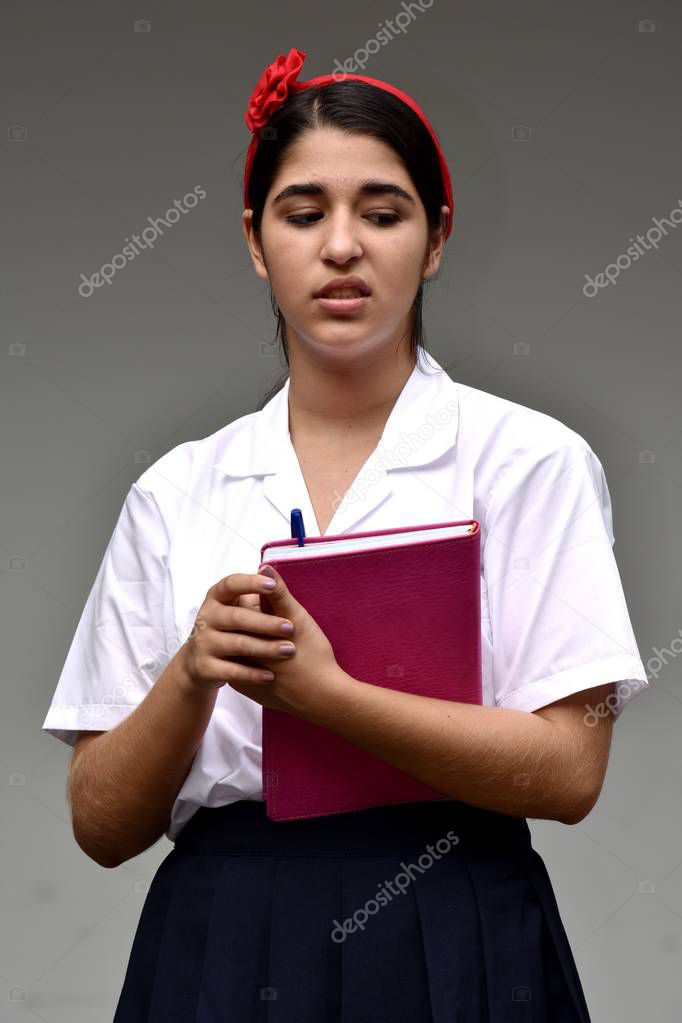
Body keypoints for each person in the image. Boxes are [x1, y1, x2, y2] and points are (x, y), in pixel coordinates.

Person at [42, 48, 649, 1022]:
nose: (340, 247)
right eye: (301, 212)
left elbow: (569, 771)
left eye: (381, 211)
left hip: (455, 918)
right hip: (223, 934)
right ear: (253, 239)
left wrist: (326, 696)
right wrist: (193, 671)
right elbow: (102, 823)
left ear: (436, 237)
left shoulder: (529, 460)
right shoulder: (177, 490)